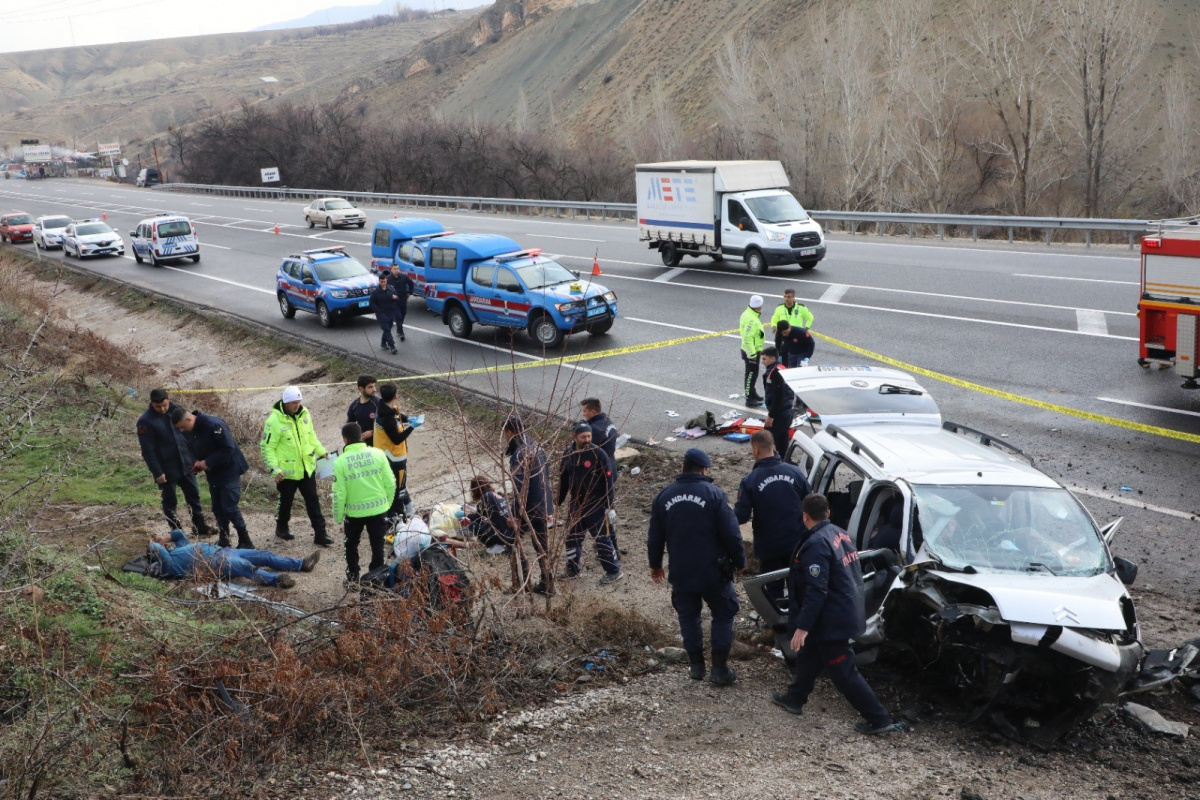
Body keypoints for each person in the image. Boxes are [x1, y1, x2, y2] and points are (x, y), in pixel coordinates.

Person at [772, 493, 904, 735]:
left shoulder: (815, 545)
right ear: (829, 513)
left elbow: (816, 591)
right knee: (809, 655)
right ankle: (795, 698)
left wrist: (803, 627)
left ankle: (879, 720)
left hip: (831, 620)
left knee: (844, 673)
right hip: (843, 611)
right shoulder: (840, 534)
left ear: (805, 516)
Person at [648, 448, 746, 686]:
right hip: (713, 571)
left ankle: (696, 666)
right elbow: (732, 534)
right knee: (723, 614)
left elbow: (654, 536)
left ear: (682, 468)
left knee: (688, 616)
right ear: (704, 470)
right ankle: (719, 669)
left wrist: (655, 565)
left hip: (681, 571)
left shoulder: (664, 496)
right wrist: (740, 561)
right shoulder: (714, 494)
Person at [734, 429, 811, 604]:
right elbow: (811, 503)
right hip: (797, 543)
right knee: (798, 588)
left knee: (773, 590)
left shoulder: (750, 480)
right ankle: (799, 621)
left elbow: (741, 516)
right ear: (773, 447)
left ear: (755, 450)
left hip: (769, 547)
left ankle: (778, 624)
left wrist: (723, 516)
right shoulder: (795, 472)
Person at [171, 408, 253, 550]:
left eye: (182, 427)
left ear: (189, 419)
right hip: (214, 472)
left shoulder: (213, 425)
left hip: (229, 469)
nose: (182, 431)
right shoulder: (191, 431)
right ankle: (224, 538)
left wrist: (207, 462)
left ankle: (245, 539)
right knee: (218, 508)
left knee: (229, 507)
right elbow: (193, 449)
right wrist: (197, 462)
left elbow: (228, 448)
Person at [260, 385, 332, 546]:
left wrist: (322, 452)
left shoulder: (305, 414)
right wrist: (274, 469)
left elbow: (311, 437)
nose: (297, 405)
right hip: (287, 472)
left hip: (307, 467)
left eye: (298, 402)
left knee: (313, 500)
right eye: (293, 402)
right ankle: (282, 527)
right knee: (285, 501)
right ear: (286, 402)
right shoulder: (274, 421)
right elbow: (267, 447)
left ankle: (320, 533)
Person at [136, 387, 212, 536]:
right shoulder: (145, 421)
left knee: (194, 496)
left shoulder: (176, 410)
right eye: (158, 406)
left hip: (186, 462)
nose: (163, 409)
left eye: (165, 405)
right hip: (166, 467)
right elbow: (148, 451)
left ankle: (199, 526)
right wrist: (157, 472)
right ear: (151, 404)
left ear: (168, 400)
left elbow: (190, 432)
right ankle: (177, 532)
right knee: (170, 502)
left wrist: (196, 456)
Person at [332, 422, 396, 583]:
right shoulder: (378, 454)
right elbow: (391, 483)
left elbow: (339, 493)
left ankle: (353, 578)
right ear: (361, 436)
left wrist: (338, 516)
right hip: (379, 510)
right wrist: (386, 504)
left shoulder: (340, 462)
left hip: (354, 514)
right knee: (378, 547)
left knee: (351, 545)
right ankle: (376, 580)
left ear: (345, 440)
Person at [558, 422, 621, 585]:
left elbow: (608, 481)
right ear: (575, 437)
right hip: (576, 504)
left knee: (601, 539)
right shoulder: (568, 454)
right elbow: (563, 480)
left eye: (589, 436)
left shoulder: (598, 454)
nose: (587, 439)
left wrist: (609, 506)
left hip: (596, 505)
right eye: (583, 437)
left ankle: (613, 571)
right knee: (572, 538)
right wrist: (557, 502)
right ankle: (572, 569)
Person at [147, 528, 319, 588]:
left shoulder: (178, 549)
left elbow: (179, 534)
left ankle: (301, 564)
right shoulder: (168, 566)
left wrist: (165, 538)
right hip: (215, 564)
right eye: (162, 548)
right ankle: (277, 580)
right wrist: (152, 543)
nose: (165, 547)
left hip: (222, 552)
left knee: (264, 555)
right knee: (246, 566)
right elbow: (158, 550)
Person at [503, 414, 554, 594]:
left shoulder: (519, 455)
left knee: (513, 541)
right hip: (543, 502)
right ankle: (548, 582)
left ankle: (522, 584)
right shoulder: (536, 446)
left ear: (509, 432)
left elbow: (520, 489)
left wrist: (515, 514)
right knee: (541, 544)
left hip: (529, 506)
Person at [580, 397, 623, 553]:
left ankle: (611, 549)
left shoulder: (595, 431)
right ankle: (607, 545)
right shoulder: (607, 422)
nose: (583, 415)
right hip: (611, 468)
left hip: (601, 474)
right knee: (605, 511)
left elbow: (587, 452)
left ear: (593, 411)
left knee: (601, 513)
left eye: (585, 411)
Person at [373, 382, 417, 519]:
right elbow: (397, 439)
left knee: (392, 486)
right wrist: (412, 426)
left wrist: (407, 419)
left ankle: (402, 509)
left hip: (385, 456)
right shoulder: (387, 419)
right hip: (395, 459)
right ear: (395, 396)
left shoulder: (382, 408)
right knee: (398, 489)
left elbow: (396, 414)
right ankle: (398, 516)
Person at [464, 476, 517, 555]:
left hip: (503, 536)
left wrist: (467, 516)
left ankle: (496, 546)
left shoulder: (485, 497)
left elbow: (477, 518)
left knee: (472, 524)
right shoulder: (494, 494)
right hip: (512, 533)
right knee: (484, 523)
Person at [761, 345, 796, 457]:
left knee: (768, 439)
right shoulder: (781, 368)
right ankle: (784, 459)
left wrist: (771, 416)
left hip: (780, 412)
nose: (762, 362)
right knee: (783, 439)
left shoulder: (775, 372)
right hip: (786, 410)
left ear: (773, 359)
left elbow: (779, 396)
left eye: (764, 359)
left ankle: (770, 461)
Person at [770, 289, 815, 367]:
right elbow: (774, 319)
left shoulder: (801, 308)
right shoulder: (779, 308)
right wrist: (774, 330)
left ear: (794, 297)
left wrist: (805, 330)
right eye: (785, 296)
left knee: (797, 358)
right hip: (785, 338)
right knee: (784, 363)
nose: (786, 299)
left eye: (789, 297)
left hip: (796, 336)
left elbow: (810, 318)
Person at [740, 295, 766, 408]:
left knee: (753, 374)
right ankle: (749, 398)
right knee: (750, 375)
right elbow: (747, 338)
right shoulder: (751, 318)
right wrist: (752, 354)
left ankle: (752, 393)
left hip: (753, 350)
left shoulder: (748, 313)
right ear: (759, 306)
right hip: (751, 352)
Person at [347, 375, 380, 448]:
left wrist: (373, 432)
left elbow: (391, 423)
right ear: (361, 389)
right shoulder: (354, 406)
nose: (374, 389)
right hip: (365, 447)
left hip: (381, 445)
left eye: (374, 386)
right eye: (370, 387)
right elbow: (349, 427)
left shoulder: (379, 403)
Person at [369, 273, 398, 354]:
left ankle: (383, 342)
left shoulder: (391, 289)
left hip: (390, 311)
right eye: (381, 282)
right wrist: (378, 310)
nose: (383, 283)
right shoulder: (375, 292)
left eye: (384, 281)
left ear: (386, 281)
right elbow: (371, 303)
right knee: (386, 329)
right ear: (379, 281)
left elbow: (397, 298)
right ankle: (392, 346)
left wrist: (395, 298)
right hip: (381, 313)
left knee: (389, 326)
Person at [389, 264, 415, 342]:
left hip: (403, 300)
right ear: (391, 270)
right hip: (394, 302)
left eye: (398, 268)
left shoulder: (404, 277)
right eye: (395, 269)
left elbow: (411, 283)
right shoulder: (389, 279)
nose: (397, 270)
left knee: (403, 314)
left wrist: (409, 293)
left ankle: (398, 328)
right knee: (398, 317)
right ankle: (401, 333)